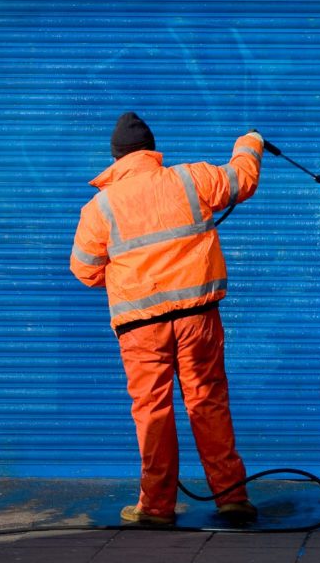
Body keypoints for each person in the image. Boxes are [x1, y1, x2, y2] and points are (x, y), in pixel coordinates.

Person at [70, 111, 264, 526]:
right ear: (151, 151)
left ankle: (156, 508)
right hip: (198, 318)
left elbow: (84, 269)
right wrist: (250, 141)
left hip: (140, 327)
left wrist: (131, 277)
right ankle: (231, 498)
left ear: (116, 157)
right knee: (208, 401)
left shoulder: (100, 207)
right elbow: (241, 179)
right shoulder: (189, 180)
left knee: (152, 410)